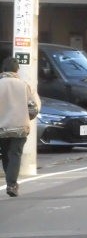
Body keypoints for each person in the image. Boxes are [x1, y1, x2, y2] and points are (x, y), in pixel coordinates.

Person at [0, 57, 40, 197]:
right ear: (17, 69)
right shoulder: (23, 85)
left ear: (3, 69)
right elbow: (33, 108)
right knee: (15, 154)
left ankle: (10, 182)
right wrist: (26, 117)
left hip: (1, 128)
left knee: (5, 154)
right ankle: (11, 184)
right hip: (20, 127)